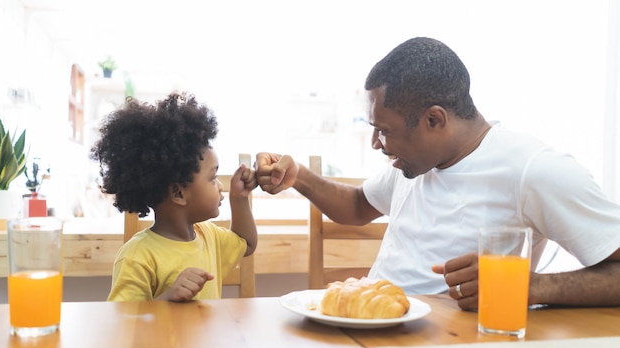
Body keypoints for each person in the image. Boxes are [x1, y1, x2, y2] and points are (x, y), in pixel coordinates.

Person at [255, 37, 620, 310]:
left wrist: (530, 287)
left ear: (434, 119)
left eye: (384, 130)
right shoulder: (413, 163)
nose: (376, 144)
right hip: (374, 332)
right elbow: (355, 205)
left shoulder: (535, 170)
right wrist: (298, 177)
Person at [91, 92, 257, 302]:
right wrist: (167, 298)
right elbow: (125, 323)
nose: (221, 186)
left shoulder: (209, 237)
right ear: (179, 193)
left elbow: (247, 243)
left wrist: (239, 198)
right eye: (213, 178)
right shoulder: (137, 257)